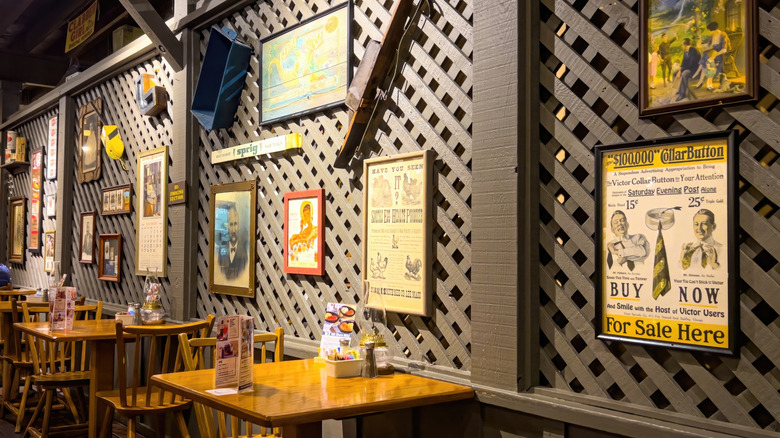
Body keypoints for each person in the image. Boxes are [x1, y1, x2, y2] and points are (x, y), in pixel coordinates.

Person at [218, 204, 248, 280]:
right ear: (227, 227)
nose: (234, 230)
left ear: (239, 226)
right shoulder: (222, 249)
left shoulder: (245, 251)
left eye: (235, 224)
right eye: (231, 225)